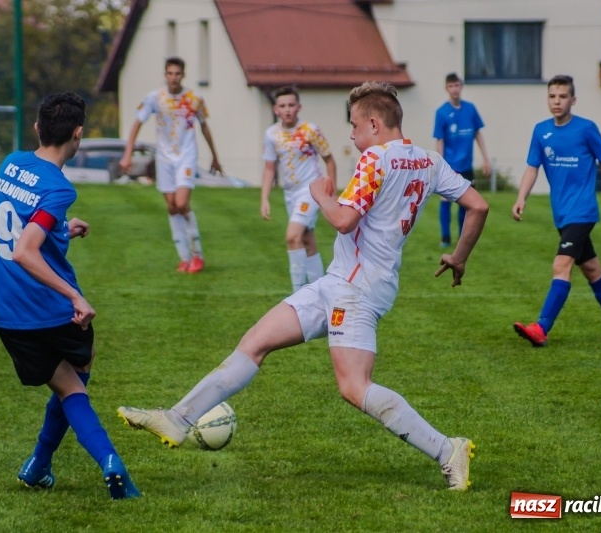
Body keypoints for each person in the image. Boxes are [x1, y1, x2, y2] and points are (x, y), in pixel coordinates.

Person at [118, 81, 490, 491]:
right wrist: (459, 257)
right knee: (255, 341)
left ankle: (447, 449)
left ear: (373, 123)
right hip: (341, 281)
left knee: (354, 386)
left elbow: (343, 220)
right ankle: (177, 419)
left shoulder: (375, 158)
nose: (352, 135)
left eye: (354, 126)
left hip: (357, 289)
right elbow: (478, 205)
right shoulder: (429, 160)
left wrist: (320, 195)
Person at [0, 92, 140, 499]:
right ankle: (109, 461)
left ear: (37, 127)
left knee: (66, 380)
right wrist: (75, 296)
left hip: (3, 311)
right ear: (78, 134)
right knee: (76, 381)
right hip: (46, 308)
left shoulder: (10, 164)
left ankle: (39, 466)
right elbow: (24, 251)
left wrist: (60, 229)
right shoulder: (58, 188)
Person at [512, 75, 601, 347]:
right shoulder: (541, 131)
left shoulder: (586, 129)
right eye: (552, 96)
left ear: (573, 100)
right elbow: (532, 167)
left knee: (561, 265)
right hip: (562, 214)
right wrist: (521, 197)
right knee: (592, 270)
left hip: (582, 212)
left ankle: (541, 328)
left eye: (562, 96)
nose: (557, 101)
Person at [120, 56, 224, 274]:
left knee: (182, 203)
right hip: (164, 158)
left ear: (183, 75)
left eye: (177, 74)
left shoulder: (194, 98)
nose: (174, 77)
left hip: (186, 156)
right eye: (170, 73)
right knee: (171, 207)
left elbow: (205, 127)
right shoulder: (155, 97)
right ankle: (184, 258)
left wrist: (215, 156)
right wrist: (127, 155)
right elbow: (137, 124)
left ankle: (197, 255)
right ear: (165, 75)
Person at [260, 86, 338, 292]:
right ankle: (321, 291)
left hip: (311, 190)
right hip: (290, 193)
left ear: (299, 107)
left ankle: (297, 294)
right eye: (282, 105)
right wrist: (264, 198)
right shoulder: (271, 134)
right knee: (307, 240)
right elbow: (269, 168)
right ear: (276, 109)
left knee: (292, 237)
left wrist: (331, 192)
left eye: (291, 105)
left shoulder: (310, 130)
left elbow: (329, 160)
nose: (287, 109)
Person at [433, 73, 491, 248]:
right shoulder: (441, 112)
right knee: (445, 200)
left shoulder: (470, 109)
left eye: (457, 85)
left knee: (466, 204)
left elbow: (478, 134)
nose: (454, 89)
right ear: (446, 88)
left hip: (467, 166)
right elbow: (439, 140)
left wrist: (485, 159)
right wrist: (441, 165)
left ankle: (461, 237)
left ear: (461, 86)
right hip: (450, 166)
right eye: (451, 86)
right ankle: (445, 238)